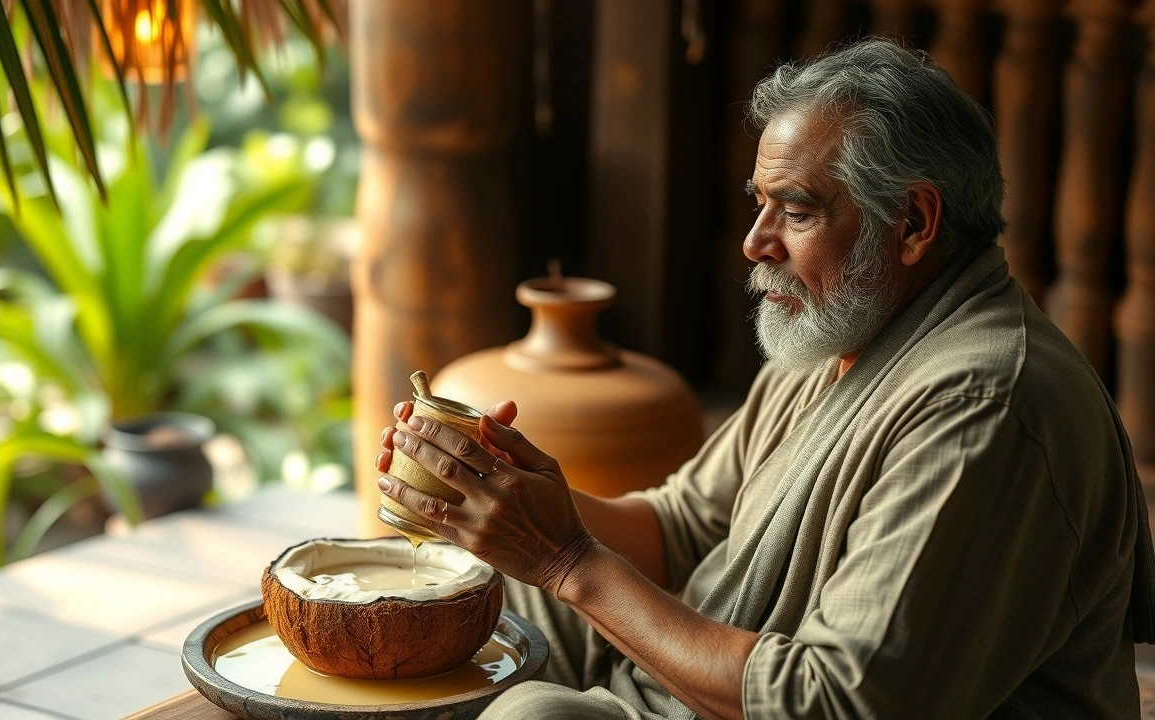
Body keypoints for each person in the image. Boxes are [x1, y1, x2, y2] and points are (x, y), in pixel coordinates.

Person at [374, 38, 1155, 719]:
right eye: (759, 205)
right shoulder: (841, 333)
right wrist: (505, 489)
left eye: (797, 210)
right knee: (477, 607)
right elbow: (682, 528)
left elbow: (836, 703)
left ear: (914, 223)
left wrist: (567, 561)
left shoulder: (987, 405)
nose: (755, 243)